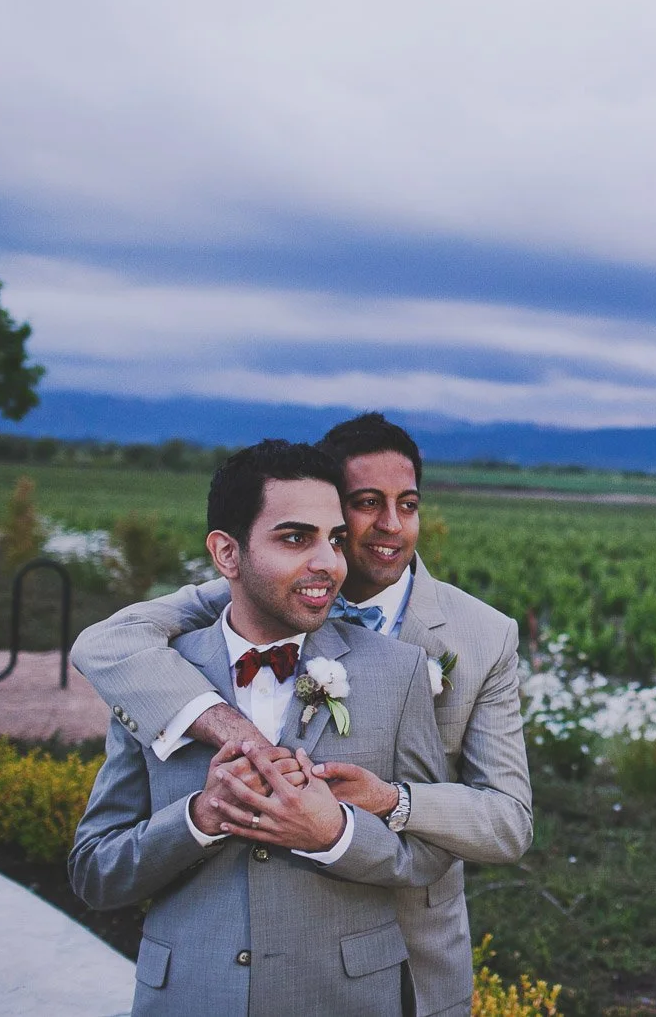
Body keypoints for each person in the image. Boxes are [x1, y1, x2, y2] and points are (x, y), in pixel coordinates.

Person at [71, 413, 533, 1017]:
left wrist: (378, 807)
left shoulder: (470, 641)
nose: (391, 526)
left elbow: (503, 822)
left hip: (393, 969)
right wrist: (210, 791)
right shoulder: (177, 656)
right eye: (366, 503)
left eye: (408, 504)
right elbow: (109, 644)